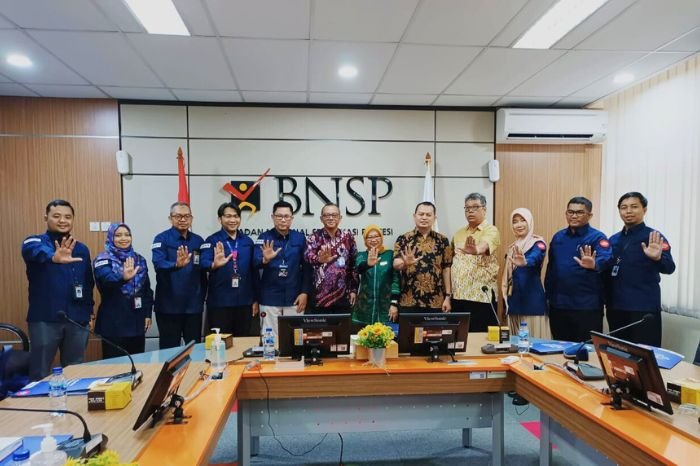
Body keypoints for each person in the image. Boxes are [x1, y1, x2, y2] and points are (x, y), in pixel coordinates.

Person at [21, 199, 94, 380]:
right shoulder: (35, 241)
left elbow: (88, 283)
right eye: (57, 216)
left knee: (75, 369)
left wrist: (89, 312)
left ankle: (71, 407)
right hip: (45, 319)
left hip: (77, 319)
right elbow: (32, 250)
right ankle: (40, 406)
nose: (63, 220)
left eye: (68, 217)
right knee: (40, 371)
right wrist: (53, 257)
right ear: (46, 218)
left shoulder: (82, 249)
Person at [606, 192, 675, 347]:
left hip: (643, 308)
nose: (628, 211)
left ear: (644, 209)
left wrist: (657, 257)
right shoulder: (613, 239)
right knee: (617, 354)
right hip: (616, 307)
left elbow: (670, 267)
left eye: (634, 207)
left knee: (644, 356)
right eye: (624, 207)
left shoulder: (654, 237)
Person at [545, 196, 612, 342]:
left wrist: (594, 264)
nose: (574, 216)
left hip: (586, 307)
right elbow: (552, 268)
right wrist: (549, 296)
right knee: (560, 348)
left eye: (579, 212)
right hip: (559, 305)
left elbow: (606, 259)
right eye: (570, 212)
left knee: (586, 351)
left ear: (590, 215)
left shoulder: (597, 237)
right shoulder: (558, 237)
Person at [93, 223, 153, 358]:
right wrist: (123, 277)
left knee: (137, 364)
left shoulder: (139, 260)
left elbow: (147, 290)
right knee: (116, 367)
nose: (123, 238)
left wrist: (147, 314)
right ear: (111, 238)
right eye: (118, 235)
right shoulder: (103, 259)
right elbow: (105, 280)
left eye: (127, 235)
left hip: (137, 321)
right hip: (114, 323)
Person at [151, 202, 206, 349]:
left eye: (186, 216)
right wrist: (176, 265)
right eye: (178, 216)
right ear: (170, 218)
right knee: (169, 350)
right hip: (169, 306)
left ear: (191, 219)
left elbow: (202, 272)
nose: (182, 219)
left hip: (193, 306)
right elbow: (158, 264)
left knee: (195, 349)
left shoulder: (198, 241)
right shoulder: (161, 239)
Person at [255, 201, 312, 339]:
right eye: (279, 216)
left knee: (295, 339)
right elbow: (254, 263)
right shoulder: (264, 238)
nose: (283, 219)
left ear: (292, 218)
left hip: (294, 298)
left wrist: (304, 292)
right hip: (269, 298)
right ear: (272, 217)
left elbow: (307, 267)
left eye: (286, 216)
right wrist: (265, 260)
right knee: (270, 340)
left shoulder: (300, 238)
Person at [200, 203, 259, 337]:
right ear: (220, 219)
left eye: (236, 216)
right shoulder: (212, 240)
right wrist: (214, 264)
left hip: (244, 303)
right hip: (220, 303)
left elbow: (254, 272)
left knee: (243, 343)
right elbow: (203, 263)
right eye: (228, 216)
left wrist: (255, 299)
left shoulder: (248, 241)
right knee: (220, 344)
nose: (232, 220)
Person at [450, 193, 501, 332]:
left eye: (475, 207)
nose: (470, 211)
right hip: (459, 297)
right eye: (467, 208)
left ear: (484, 209)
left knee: (481, 340)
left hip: (480, 297)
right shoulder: (459, 233)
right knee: (459, 340)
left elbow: (484, 246)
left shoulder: (491, 230)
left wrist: (476, 250)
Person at [393, 202, 453, 313]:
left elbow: (446, 269)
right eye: (421, 214)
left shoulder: (442, 240)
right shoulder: (403, 239)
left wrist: (448, 297)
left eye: (428, 215)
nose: (424, 217)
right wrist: (405, 263)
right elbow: (396, 265)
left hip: (436, 301)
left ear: (434, 218)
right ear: (414, 216)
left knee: (435, 331)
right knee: (408, 331)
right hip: (409, 300)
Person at [501, 208, 549, 339]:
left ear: (529, 222)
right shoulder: (512, 247)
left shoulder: (538, 243)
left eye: (523, 220)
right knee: (515, 344)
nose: (519, 224)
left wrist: (525, 262)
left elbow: (536, 257)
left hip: (532, 300)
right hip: (514, 300)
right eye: (515, 221)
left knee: (534, 343)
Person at [304, 203, 359, 312]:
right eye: (326, 215)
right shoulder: (314, 237)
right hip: (319, 298)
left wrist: (353, 289)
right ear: (321, 218)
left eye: (334, 215)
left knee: (342, 328)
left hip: (343, 296)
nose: (330, 218)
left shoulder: (348, 237)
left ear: (340, 218)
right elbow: (307, 256)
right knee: (319, 329)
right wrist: (319, 259)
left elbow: (353, 265)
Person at [352, 225, 400, 331]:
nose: (373, 240)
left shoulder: (390, 255)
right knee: (363, 341)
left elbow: (396, 280)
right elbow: (358, 269)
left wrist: (394, 304)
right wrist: (368, 264)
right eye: (370, 237)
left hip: (386, 307)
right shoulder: (361, 255)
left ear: (381, 237)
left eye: (376, 236)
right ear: (365, 240)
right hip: (364, 308)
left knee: (386, 341)